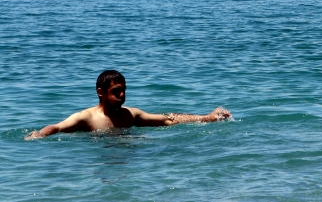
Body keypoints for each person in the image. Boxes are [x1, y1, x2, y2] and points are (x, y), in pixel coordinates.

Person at [25, 70, 231, 140]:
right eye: (116, 92)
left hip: (130, 154)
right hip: (102, 156)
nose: (122, 95)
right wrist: (39, 134)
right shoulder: (86, 118)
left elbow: (169, 119)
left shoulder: (130, 115)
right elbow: (58, 127)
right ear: (101, 93)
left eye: (124, 90)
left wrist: (207, 118)